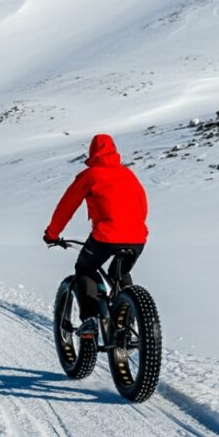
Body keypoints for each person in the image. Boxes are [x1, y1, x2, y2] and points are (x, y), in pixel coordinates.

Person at [43, 134, 148, 338]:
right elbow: (142, 206)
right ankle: (128, 315)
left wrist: (52, 234)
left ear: (92, 152)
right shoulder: (128, 174)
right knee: (120, 271)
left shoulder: (90, 175)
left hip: (106, 237)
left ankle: (90, 319)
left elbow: (66, 207)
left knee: (85, 268)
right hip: (137, 238)